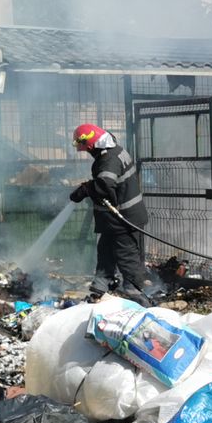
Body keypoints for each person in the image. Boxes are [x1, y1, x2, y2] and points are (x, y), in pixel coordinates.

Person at [68, 123, 156, 304]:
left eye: (83, 147)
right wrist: (89, 187)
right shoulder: (115, 151)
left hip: (123, 220)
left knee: (127, 257)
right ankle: (99, 288)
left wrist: (86, 189)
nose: (83, 150)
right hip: (117, 219)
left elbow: (105, 185)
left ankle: (140, 299)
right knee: (105, 252)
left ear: (90, 144)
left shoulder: (109, 159)